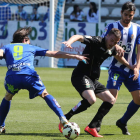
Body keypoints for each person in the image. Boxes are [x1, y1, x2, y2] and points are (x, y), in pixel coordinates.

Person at [0, 27, 89, 133]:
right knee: (45, 94)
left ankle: (1, 126)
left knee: (8, 96)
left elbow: (0, 53)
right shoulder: (31, 48)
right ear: (25, 40)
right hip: (30, 76)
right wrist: (75, 56)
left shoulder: (7, 47)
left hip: (13, 77)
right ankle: (62, 117)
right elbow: (54, 53)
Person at [58, 28, 129, 137]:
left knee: (111, 100)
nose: (112, 44)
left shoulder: (112, 48)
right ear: (107, 36)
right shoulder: (96, 41)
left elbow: (118, 57)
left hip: (92, 80)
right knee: (91, 99)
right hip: (80, 75)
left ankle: (92, 127)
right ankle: (66, 118)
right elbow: (79, 36)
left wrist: (130, 66)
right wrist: (69, 42)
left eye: (116, 42)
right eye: (112, 40)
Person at [92, 1, 140, 135]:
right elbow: (104, 42)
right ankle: (97, 123)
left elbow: (139, 50)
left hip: (132, 69)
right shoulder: (112, 26)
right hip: (117, 69)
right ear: (121, 13)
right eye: (125, 15)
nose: (127, 18)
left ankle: (122, 122)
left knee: (139, 99)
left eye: (130, 15)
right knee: (111, 98)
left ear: (133, 15)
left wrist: (136, 67)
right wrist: (114, 46)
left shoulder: (137, 28)